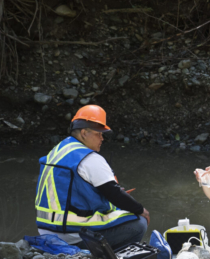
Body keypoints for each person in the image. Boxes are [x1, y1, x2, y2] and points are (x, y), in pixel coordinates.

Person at [35, 104, 149, 249]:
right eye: (98, 133)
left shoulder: (57, 151)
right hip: (71, 235)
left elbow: (70, 193)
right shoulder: (89, 158)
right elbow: (114, 194)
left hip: (46, 231)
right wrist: (141, 210)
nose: (102, 138)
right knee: (139, 222)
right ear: (84, 133)